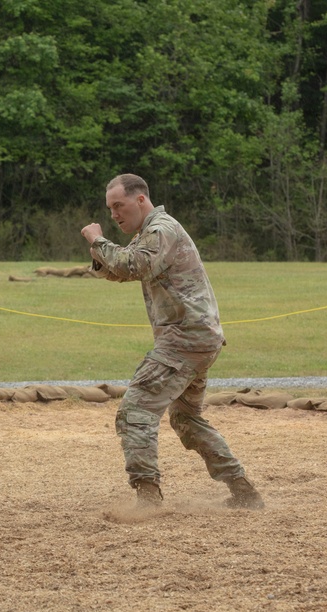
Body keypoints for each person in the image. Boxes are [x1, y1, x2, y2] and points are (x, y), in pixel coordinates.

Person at [79, 173, 264, 510]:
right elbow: (120, 271)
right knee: (187, 421)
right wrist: (101, 252)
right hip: (195, 339)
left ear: (140, 199)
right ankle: (243, 491)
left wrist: (97, 241)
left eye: (118, 206)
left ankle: (148, 496)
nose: (114, 214)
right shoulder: (149, 232)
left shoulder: (160, 229)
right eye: (109, 209)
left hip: (184, 340)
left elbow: (133, 264)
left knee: (134, 412)